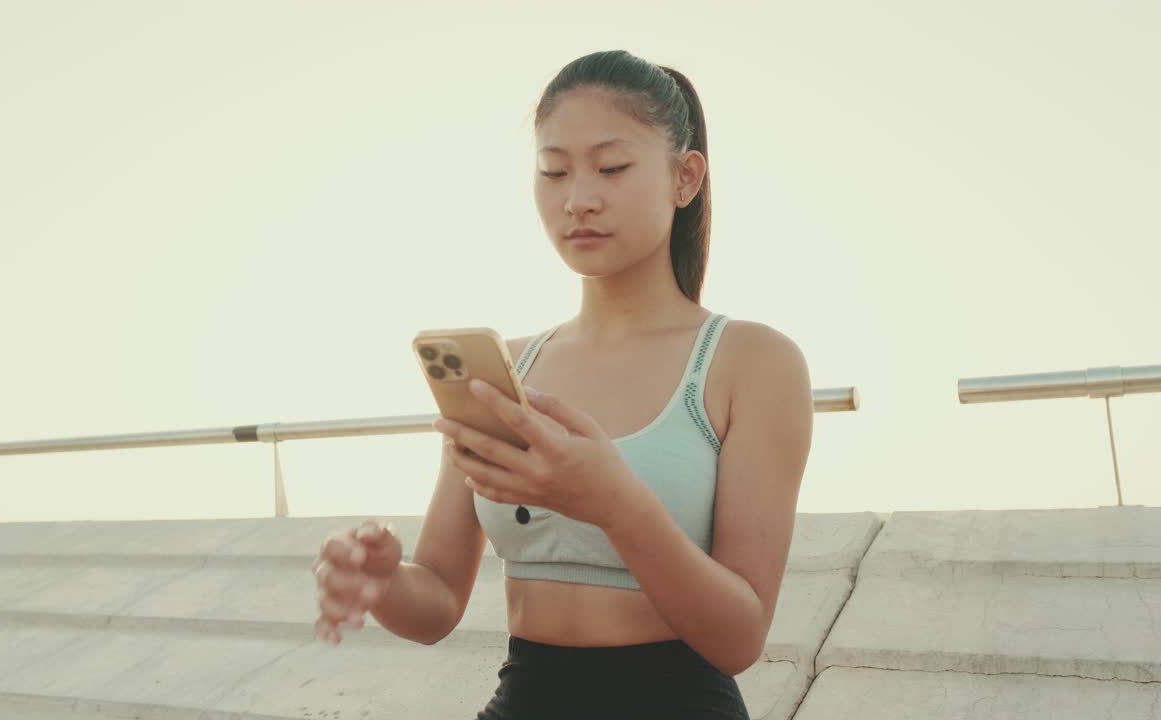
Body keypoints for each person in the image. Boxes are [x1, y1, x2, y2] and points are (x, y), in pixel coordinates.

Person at [311, 49, 814, 719]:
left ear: (685, 177)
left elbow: (739, 638)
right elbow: (435, 603)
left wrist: (613, 502)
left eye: (611, 168)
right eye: (553, 171)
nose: (578, 198)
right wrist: (380, 582)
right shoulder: (509, 370)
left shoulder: (751, 362)